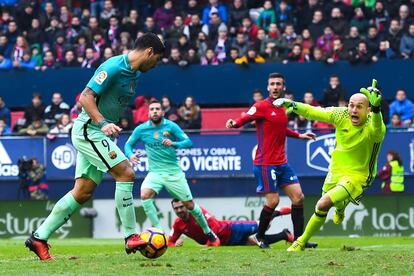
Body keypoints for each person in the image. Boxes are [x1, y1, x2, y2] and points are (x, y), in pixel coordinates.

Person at [25, 33, 166, 260]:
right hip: (89, 129)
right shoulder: (113, 66)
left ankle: (38, 238)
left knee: (82, 193)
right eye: (157, 59)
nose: (156, 64)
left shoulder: (135, 74)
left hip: (100, 133)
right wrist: (103, 123)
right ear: (149, 52)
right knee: (126, 173)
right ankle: (131, 236)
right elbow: (85, 97)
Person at [273, 79, 386, 251]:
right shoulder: (341, 115)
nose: (353, 110)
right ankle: (340, 209)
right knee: (333, 202)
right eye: (351, 105)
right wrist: (293, 104)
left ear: (368, 109)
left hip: (358, 175)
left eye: (359, 107)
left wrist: (378, 110)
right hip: (336, 169)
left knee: (323, 203)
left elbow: (377, 131)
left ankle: (300, 242)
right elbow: (315, 112)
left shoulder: (375, 123)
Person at [226, 73, 317, 249]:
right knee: (273, 201)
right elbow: (246, 118)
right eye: (272, 84)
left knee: (298, 198)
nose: (275, 87)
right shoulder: (261, 106)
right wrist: (233, 123)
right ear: (268, 87)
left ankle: (299, 241)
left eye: (278, 84)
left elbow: (281, 130)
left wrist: (299, 135)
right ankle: (259, 236)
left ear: (283, 87)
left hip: (282, 162)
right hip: (265, 163)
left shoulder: (283, 107)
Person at [125, 101, 221, 246]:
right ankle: (160, 232)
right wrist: (131, 155)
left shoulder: (171, 126)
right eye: (152, 109)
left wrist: (174, 144)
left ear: (162, 112)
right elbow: (128, 145)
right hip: (155, 173)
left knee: (190, 205)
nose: (155, 111)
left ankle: (208, 232)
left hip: (173, 173)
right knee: (144, 195)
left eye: (158, 109)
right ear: (148, 112)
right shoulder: (141, 129)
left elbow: (188, 143)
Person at [169, 199, 293, 246]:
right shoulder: (177, 224)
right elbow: (170, 242)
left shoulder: (197, 212)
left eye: (181, 207)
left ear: (186, 206)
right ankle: (284, 235)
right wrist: (176, 245)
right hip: (227, 242)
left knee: (265, 225)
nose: (179, 210)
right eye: (176, 208)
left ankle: (276, 212)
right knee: (255, 242)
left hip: (232, 229)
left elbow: (215, 228)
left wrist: (208, 244)